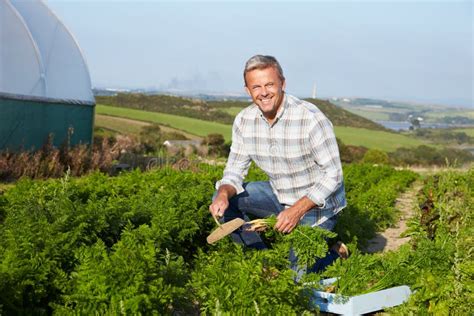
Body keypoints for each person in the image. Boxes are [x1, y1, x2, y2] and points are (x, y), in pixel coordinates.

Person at [209, 54, 347, 273]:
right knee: (223, 198)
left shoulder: (310, 118)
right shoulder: (244, 121)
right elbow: (234, 170)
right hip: (278, 194)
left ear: (282, 83)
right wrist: (224, 194)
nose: (263, 92)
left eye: (269, 84)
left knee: (297, 280)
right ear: (248, 90)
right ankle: (263, 262)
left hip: (317, 207)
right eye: (256, 87)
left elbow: (333, 175)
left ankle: (333, 253)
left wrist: (296, 211)